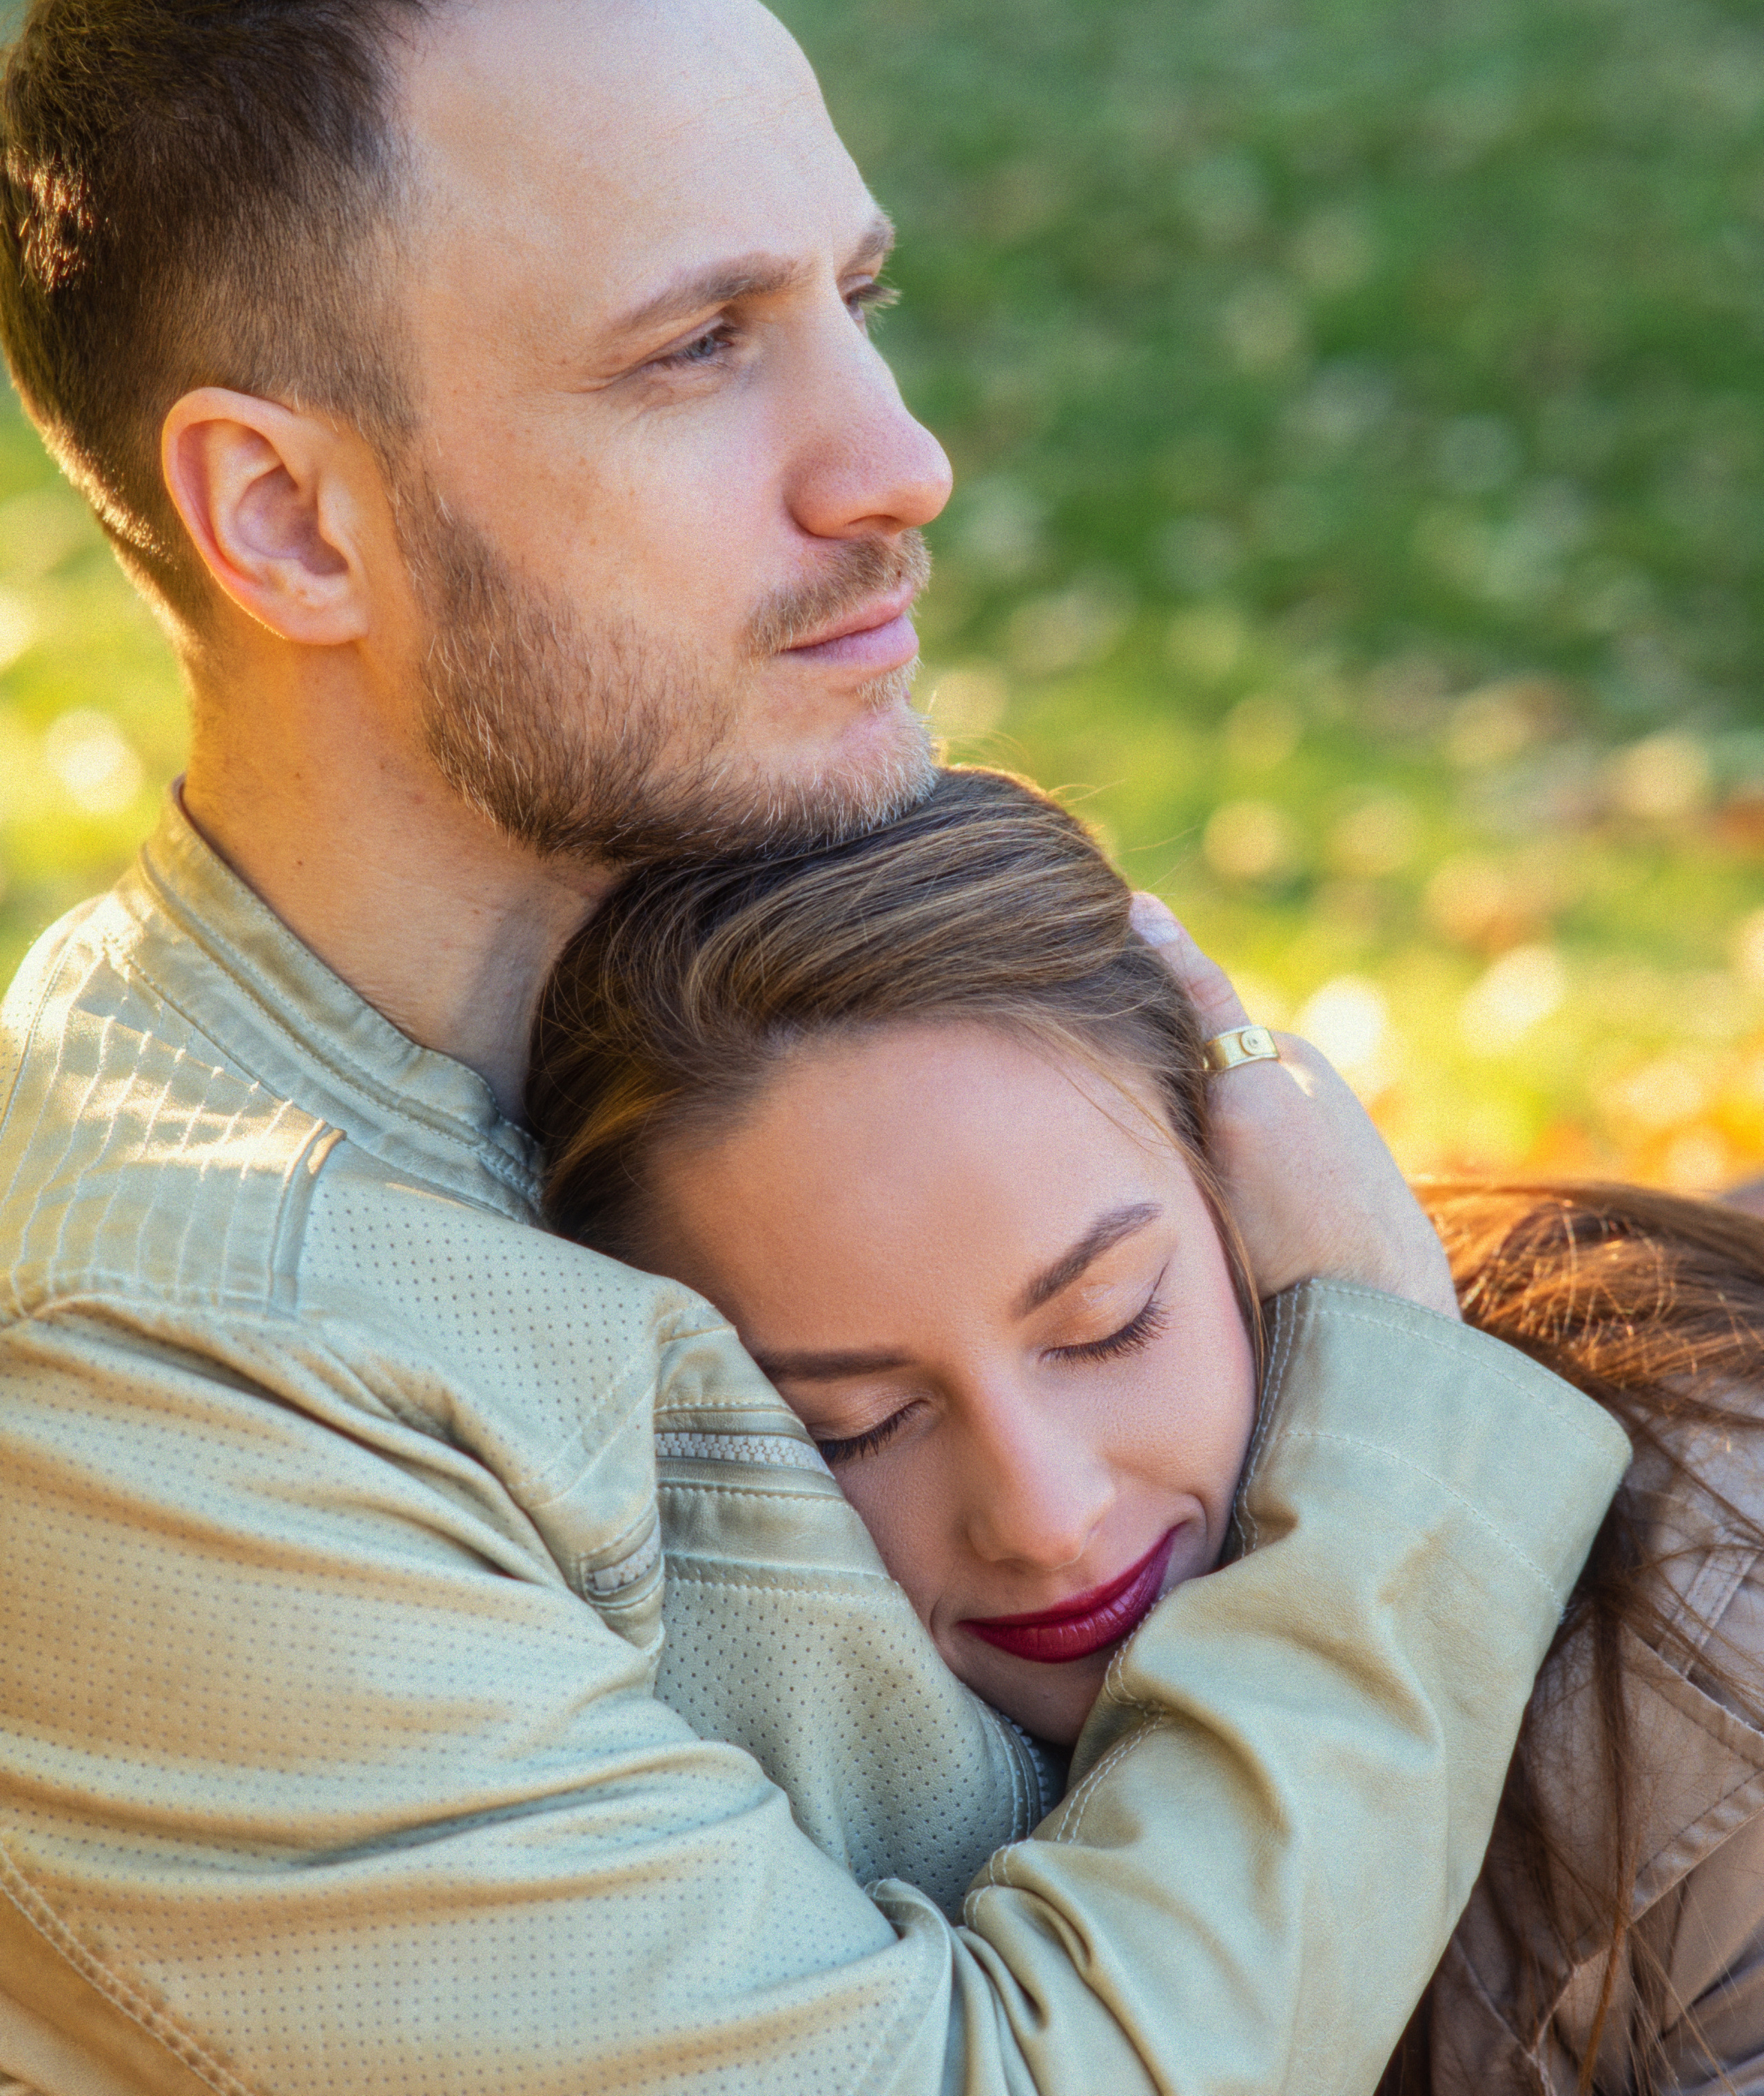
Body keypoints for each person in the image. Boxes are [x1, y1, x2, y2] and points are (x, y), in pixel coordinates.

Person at [0, 0, 1630, 2093]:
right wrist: (1400, 1454)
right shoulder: (152, 1386)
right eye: (694, 349)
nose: (897, 463)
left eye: (853, 300)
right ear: (286, 521)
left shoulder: (772, 1029)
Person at [529, 764, 1764, 2095]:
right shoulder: (614, 1770)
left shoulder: (1712, 1625)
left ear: (1250, 1196)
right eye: (852, 1426)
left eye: (1108, 1325)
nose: (1045, 1515)